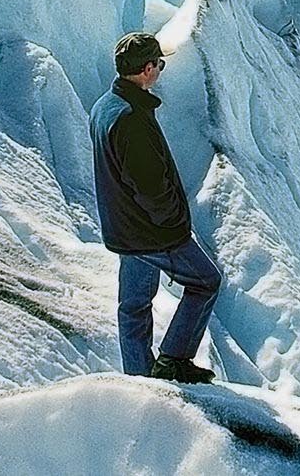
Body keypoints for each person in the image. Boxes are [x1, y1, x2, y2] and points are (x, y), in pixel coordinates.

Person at [90, 31, 221, 384]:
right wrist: (175, 224)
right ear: (148, 69)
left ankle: (139, 379)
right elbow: (149, 185)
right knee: (206, 281)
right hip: (152, 232)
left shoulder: (105, 107)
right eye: (159, 64)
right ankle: (173, 360)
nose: (161, 69)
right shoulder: (131, 118)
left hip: (124, 230)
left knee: (133, 307)